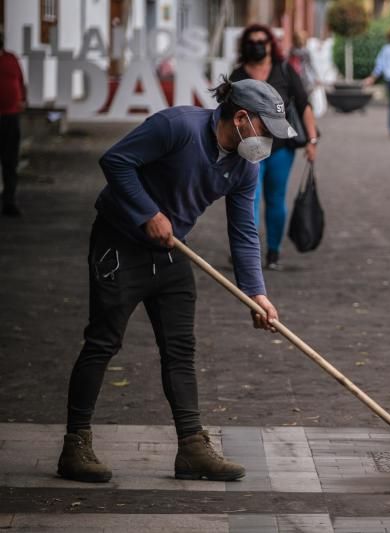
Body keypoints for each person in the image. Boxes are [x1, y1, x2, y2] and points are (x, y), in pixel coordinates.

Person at [58, 78, 294, 483]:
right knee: (103, 341)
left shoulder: (244, 166)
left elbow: (243, 233)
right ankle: (74, 445)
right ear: (240, 119)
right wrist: (148, 212)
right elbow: (115, 161)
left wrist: (256, 293)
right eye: (265, 130)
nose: (268, 143)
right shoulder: (176, 127)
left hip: (171, 254)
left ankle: (191, 448)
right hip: (119, 245)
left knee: (180, 349)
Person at [230, 24, 319, 271]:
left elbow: (304, 105)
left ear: (270, 45)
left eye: (262, 41)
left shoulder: (284, 71)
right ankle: (251, 254)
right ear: (244, 46)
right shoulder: (237, 76)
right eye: (252, 41)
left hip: (281, 148)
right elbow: (227, 114)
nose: (257, 45)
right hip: (249, 149)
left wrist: (312, 140)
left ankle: (274, 252)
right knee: (251, 199)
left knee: (276, 199)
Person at [0, 32, 26, 217]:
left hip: (11, 116)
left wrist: (22, 99)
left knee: (10, 161)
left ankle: (9, 201)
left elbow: (20, 81)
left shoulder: (11, 58)